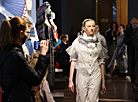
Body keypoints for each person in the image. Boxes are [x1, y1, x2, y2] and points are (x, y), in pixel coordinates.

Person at [0, 17, 49, 102]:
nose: (27, 36)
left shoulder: (6, 51)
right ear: (21, 34)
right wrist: (43, 54)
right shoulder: (16, 56)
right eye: (27, 32)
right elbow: (36, 78)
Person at [66, 18, 106, 102]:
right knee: (81, 98)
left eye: (93, 26)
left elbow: (101, 62)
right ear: (84, 28)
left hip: (95, 72)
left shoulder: (98, 42)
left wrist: (103, 83)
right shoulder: (77, 42)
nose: (91, 28)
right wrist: (70, 81)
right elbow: (73, 61)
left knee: (93, 99)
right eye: (89, 26)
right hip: (81, 72)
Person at [124, 17, 138, 86]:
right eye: (133, 23)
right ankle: (133, 81)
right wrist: (131, 38)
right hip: (131, 51)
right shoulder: (128, 30)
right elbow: (125, 41)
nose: (135, 25)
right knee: (131, 66)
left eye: (136, 23)